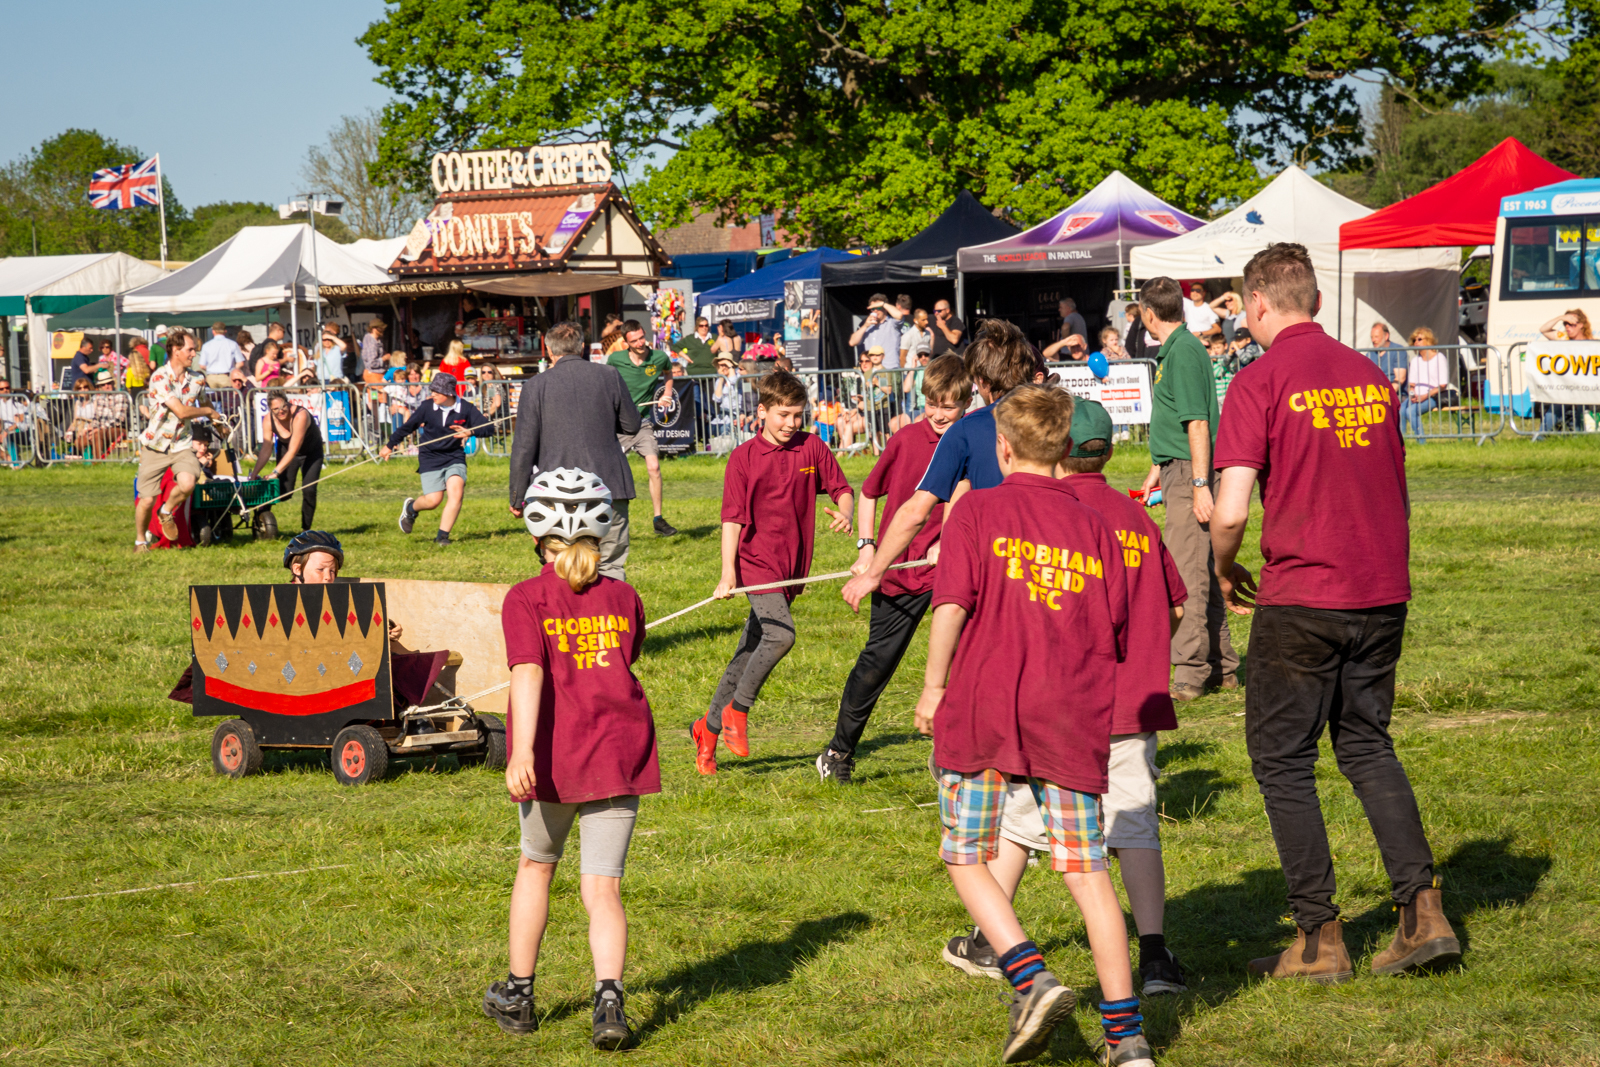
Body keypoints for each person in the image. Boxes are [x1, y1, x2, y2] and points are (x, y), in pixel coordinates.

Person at [1210, 241, 1460, 984]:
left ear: (1258, 305)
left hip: (1303, 593)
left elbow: (1229, 511)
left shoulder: (1258, 381)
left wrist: (1225, 569)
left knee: (1283, 760)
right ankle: (1423, 912)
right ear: (1313, 299)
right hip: (1382, 588)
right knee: (1366, 744)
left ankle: (1319, 936)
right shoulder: (1371, 375)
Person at [913, 384, 1151, 1067]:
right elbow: (1113, 625)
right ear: (1067, 447)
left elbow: (951, 608)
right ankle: (1128, 1038)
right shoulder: (1097, 525)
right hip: (1073, 712)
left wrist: (932, 687)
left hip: (987, 708)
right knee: (1088, 873)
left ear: (1003, 446)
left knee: (965, 853)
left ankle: (1030, 975)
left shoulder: (977, 510)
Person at [484, 468, 661, 1051]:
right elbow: (627, 653)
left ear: (538, 539)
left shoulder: (525, 597)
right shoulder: (624, 596)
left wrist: (520, 751)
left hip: (554, 760)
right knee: (603, 890)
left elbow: (528, 673)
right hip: (619, 754)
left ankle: (518, 994)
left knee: (537, 866)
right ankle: (609, 1000)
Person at [1058, 399, 1191, 997]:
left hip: (1063, 703)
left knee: (1021, 824)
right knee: (1134, 824)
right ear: (1109, 452)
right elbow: (1178, 601)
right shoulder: (1137, 519)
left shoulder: (1051, 514)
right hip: (1133, 699)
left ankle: (993, 940)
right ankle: (1156, 956)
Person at [817, 355, 971, 784]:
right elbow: (868, 494)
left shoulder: (974, 441)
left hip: (948, 573)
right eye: (933, 404)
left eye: (951, 406)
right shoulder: (904, 440)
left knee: (964, 663)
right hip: (898, 572)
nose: (940, 415)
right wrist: (868, 549)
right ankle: (839, 751)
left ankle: (955, 756)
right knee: (877, 663)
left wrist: (948, 541)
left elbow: (968, 498)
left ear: (967, 403)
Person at [690, 370, 853, 774]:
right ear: (762, 412)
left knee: (749, 649)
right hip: (756, 564)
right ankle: (736, 712)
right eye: (783, 414)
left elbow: (842, 488)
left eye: (798, 415)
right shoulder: (743, 458)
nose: (791, 424)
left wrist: (846, 511)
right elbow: (731, 519)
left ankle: (705, 732)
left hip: (791, 569)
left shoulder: (811, 447)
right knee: (781, 635)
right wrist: (728, 573)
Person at [1137, 276, 1238, 700]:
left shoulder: (1182, 352)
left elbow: (1197, 422)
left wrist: (1199, 485)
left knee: (1185, 574)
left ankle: (1190, 673)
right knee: (1204, 571)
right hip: (1176, 468)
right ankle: (1223, 667)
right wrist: (1159, 466)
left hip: (1191, 473)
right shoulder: (1179, 349)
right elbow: (1181, 421)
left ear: (1147, 313)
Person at [509, 321, 642, 580]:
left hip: (556, 491)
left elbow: (524, 447)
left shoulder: (536, 385)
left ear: (549, 351)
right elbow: (632, 424)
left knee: (561, 568)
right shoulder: (609, 375)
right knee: (610, 566)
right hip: (608, 485)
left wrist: (517, 497)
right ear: (582, 347)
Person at [382, 372, 495, 547]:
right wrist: (389, 445)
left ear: (449, 393)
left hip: (454, 456)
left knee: (456, 491)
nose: (432, 394)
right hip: (430, 457)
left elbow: (488, 429)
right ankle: (411, 509)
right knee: (433, 500)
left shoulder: (465, 408)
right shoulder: (427, 407)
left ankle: (442, 537)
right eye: (432, 390)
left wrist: (470, 432)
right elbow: (408, 427)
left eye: (437, 391)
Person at [133, 328, 218, 552]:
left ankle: (167, 510)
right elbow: (181, 411)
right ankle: (141, 540)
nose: (194, 354)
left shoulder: (198, 378)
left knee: (189, 483)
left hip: (182, 444)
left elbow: (203, 402)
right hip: (156, 445)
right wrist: (208, 412)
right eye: (190, 349)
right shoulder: (159, 377)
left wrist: (217, 422)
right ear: (175, 350)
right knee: (147, 499)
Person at [606, 320, 679, 536]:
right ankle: (603, 517)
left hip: (642, 423)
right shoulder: (615, 360)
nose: (639, 343)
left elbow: (668, 374)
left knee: (654, 467)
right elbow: (604, 383)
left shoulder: (659, 358)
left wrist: (666, 393)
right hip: (617, 425)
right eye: (634, 340)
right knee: (607, 471)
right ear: (626, 342)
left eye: (641, 338)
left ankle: (658, 519)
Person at [250, 392, 326, 532]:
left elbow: (294, 448)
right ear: (270, 410)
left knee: (309, 490)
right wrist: (254, 473)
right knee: (285, 491)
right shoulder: (268, 420)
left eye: (283, 406)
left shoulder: (300, 415)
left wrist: (275, 472)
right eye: (276, 409)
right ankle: (262, 514)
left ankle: (306, 530)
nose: (281, 411)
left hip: (311, 453)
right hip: (287, 452)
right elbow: (267, 448)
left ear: (288, 403)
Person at [1536, 310, 1591, 431]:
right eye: (1565, 324)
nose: (1567, 327)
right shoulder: (1563, 338)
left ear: (1581, 325)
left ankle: (1580, 438)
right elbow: (1543, 329)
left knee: (1584, 408)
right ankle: (1540, 438)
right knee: (1556, 407)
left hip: (1586, 388)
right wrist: (1561, 317)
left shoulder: (1591, 343)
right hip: (1566, 387)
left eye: (1572, 324)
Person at [1401, 326, 1450, 442]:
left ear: (1428, 340)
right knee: (1401, 410)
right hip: (1417, 396)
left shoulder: (1439, 358)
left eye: (1419, 339)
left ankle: (1421, 442)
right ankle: (1401, 442)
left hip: (1433, 396)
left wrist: (1424, 396)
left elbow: (1443, 385)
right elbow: (1411, 384)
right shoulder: (1415, 361)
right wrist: (1412, 395)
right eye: (1414, 340)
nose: (1416, 342)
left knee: (1411, 411)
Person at [849, 296, 905, 370]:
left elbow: (899, 315)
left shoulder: (892, 323)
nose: (875, 311)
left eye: (878, 308)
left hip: (890, 369)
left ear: (885, 309)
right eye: (873, 309)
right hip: (872, 371)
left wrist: (883, 304)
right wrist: (865, 326)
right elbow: (852, 342)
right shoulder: (867, 325)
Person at [198, 322, 245, 389]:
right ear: (225, 331)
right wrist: (232, 370)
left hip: (211, 377)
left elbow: (202, 365)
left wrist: (211, 368)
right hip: (226, 376)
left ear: (213, 331)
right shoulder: (232, 344)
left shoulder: (206, 345)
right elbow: (240, 363)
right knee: (228, 398)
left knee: (211, 398)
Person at [1367, 322, 1408, 391]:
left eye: (1376, 337)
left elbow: (1400, 378)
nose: (1373, 340)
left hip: (1396, 394)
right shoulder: (1370, 355)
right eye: (1372, 337)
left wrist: (1387, 394)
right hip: (1375, 393)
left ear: (1386, 336)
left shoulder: (1398, 351)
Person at [360, 319, 388, 384]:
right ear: (374, 329)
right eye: (380, 328)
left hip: (375, 374)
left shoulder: (375, 340)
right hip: (374, 374)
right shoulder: (372, 343)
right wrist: (384, 358)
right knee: (379, 394)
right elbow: (372, 363)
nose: (382, 330)